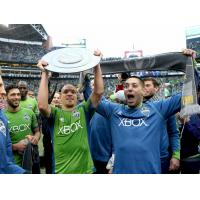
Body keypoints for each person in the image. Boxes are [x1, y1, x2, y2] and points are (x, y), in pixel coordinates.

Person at [95, 49, 195, 173]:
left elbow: (190, 92)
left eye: (134, 85)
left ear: (143, 91)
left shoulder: (159, 109)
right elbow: (94, 98)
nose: (129, 89)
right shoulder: (114, 110)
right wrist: (93, 66)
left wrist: (191, 65)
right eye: (126, 86)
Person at [37, 50, 103, 174]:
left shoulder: (84, 110)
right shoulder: (55, 114)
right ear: (60, 96)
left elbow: (98, 92)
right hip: (62, 171)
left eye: (73, 92)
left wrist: (97, 65)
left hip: (86, 170)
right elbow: (41, 105)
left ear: (77, 96)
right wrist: (44, 74)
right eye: (65, 92)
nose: (69, 94)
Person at [143, 77, 180, 173]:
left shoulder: (165, 106)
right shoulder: (134, 106)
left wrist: (176, 156)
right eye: (142, 85)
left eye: (147, 85)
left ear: (156, 88)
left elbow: (173, 133)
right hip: (140, 159)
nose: (144, 88)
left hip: (160, 159)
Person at [4, 84, 41, 173]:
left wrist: (35, 138)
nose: (16, 97)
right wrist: (15, 147)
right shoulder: (2, 116)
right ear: (6, 97)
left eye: (18, 94)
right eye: (13, 95)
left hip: (32, 159)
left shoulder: (29, 113)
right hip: (12, 164)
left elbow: (37, 132)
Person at [0, 77, 25, 174]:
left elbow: (6, 156)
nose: (3, 91)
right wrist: (16, 146)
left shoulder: (2, 117)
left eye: (2, 85)